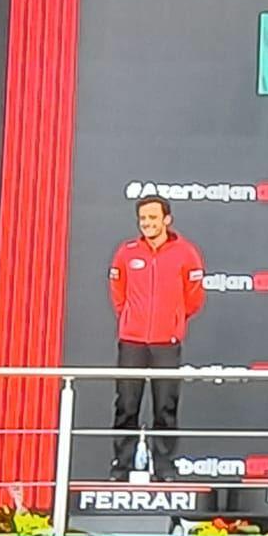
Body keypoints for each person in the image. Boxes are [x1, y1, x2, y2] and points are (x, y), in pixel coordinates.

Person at [107, 195, 205, 480]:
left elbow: (194, 297)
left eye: (153, 218)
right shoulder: (126, 252)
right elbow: (118, 293)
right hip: (132, 341)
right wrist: (130, 319)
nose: (147, 223)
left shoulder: (186, 252)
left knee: (165, 406)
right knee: (126, 405)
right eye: (143, 218)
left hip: (166, 342)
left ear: (167, 219)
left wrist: (174, 321)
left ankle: (164, 467)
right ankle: (121, 466)